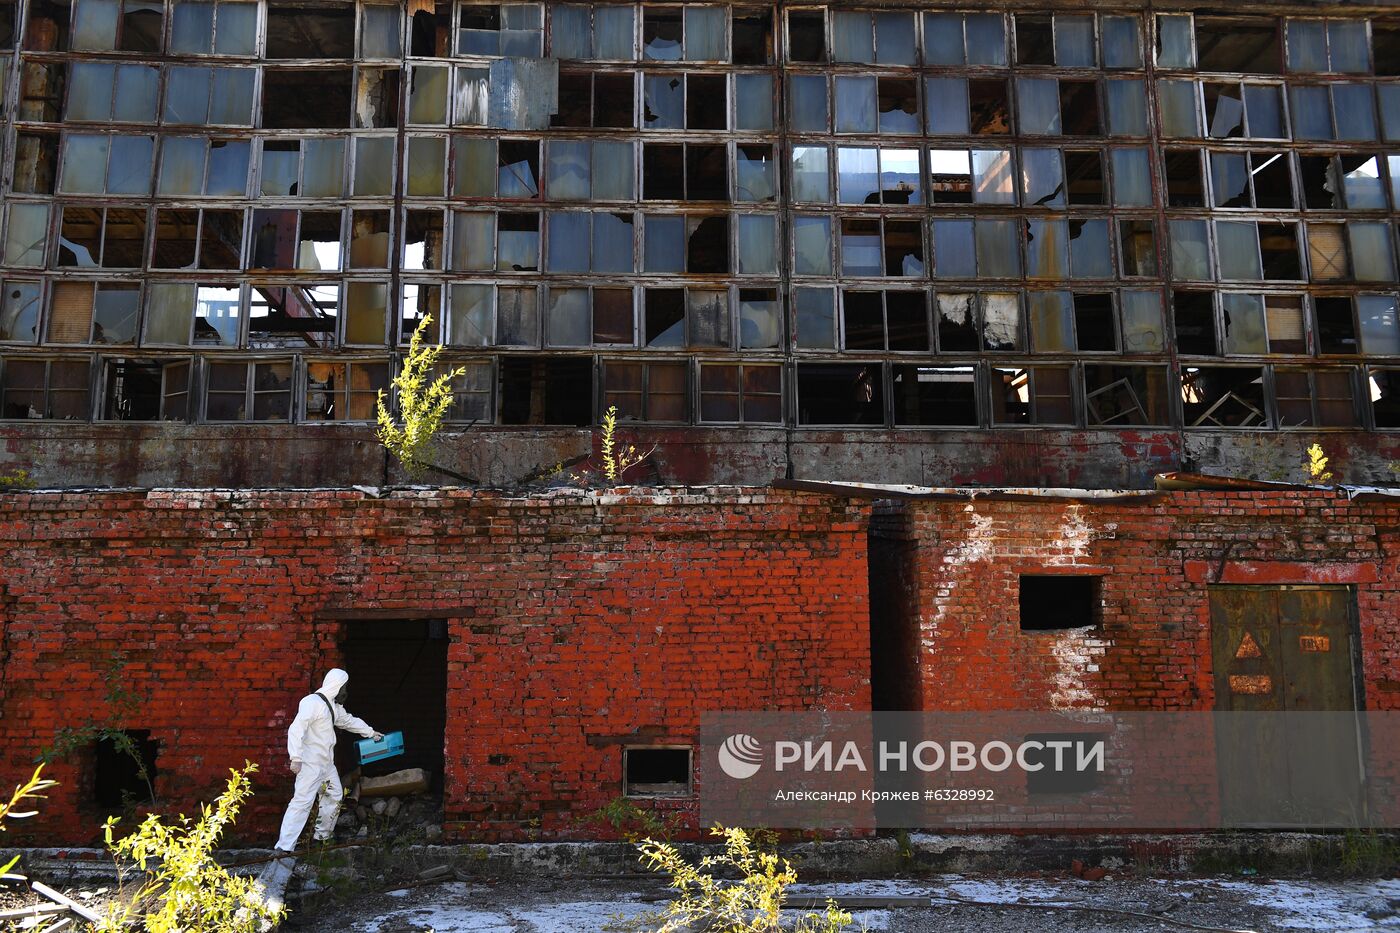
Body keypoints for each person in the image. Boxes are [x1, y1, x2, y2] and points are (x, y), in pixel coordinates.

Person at [274, 669, 381, 853]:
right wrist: (296, 758)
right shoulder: (311, 703)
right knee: (302, 802)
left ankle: (322, 837)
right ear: (336, 685)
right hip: (309, 763)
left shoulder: (332, 706)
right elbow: (296, 729)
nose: (345, 690)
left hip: (326, 763)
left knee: (334, 795)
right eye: (344, 686)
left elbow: (348, 721)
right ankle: (284, 847)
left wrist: (371, 733)